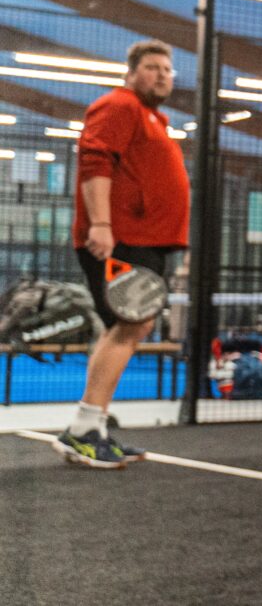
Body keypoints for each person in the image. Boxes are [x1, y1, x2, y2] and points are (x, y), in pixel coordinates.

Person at [52, 39, 188, 469]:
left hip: (145, 240)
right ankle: (84, 431)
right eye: (151, 67)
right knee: (132, 324)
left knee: (126, 327)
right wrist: (101, 224)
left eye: (167, 69)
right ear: (130, 73)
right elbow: (94, 160)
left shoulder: (152, 118)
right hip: (121, 237)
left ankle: (89, 427)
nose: (161, 75)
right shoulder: (119, 106)